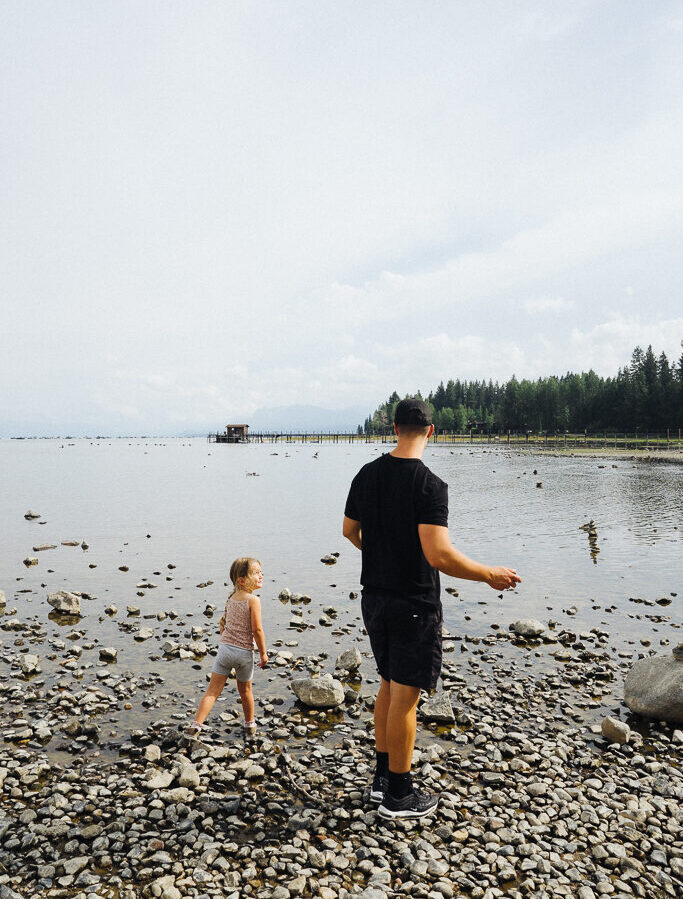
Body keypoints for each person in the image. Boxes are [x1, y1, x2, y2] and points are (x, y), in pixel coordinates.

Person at [343, 398, 521, 820]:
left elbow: (350, 531)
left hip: (375, 597)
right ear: (432, 431)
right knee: (405, 697)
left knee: (388, 684)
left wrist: (381, 550)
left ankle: (382, 780)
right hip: (412, 602)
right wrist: (488, 574)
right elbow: (439, 555)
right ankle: (400, 798)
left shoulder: (366, 474)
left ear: (394, 427)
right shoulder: (428, 484)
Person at [188, 557, 268, 739]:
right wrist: (263, 653)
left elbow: (224, 626)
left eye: (261, 572)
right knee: (246, 691)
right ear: (241, 580)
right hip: (244, 653)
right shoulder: (253, 600)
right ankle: (250, 726)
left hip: (224, 651)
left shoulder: (231, 598)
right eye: (256, 573)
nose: (261, 576)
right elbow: (257, 629)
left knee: (212, 691)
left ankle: (195, 726)